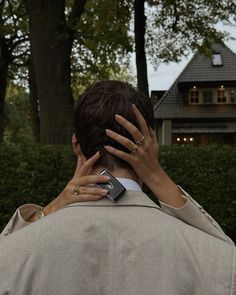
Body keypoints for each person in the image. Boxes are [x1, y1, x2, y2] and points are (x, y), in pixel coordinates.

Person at [0, 80, 235, 295]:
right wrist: (155, 175)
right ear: (151, 146)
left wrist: (50, 209)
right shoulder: (212, 256)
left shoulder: (12, 254)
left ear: (76, 145)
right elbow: (226, 262)